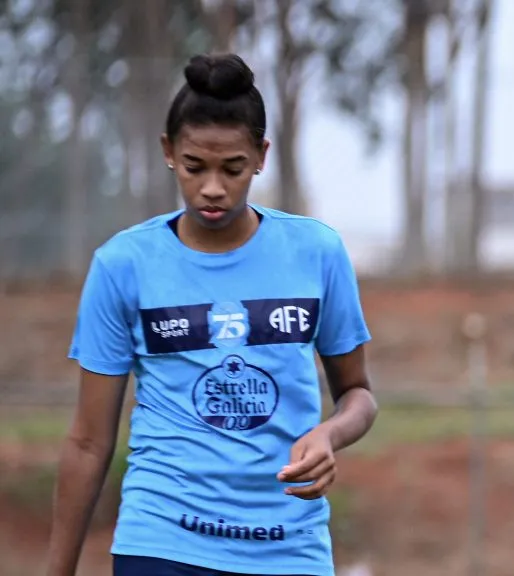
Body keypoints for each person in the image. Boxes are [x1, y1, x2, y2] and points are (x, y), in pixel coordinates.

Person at [45, 53, 378, 576]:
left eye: (233, 168)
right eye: (195, 166)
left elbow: (359, 395)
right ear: (169, 152)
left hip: (289, 547)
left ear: (262, 156)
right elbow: (89, 441)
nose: (213, 188)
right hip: (162, 541)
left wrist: (328, 435)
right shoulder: (123, 265)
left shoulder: (317, 252)